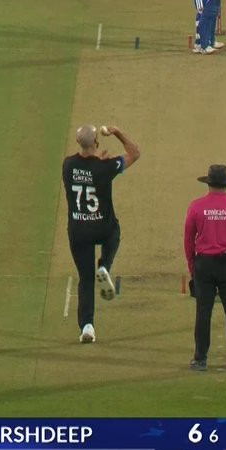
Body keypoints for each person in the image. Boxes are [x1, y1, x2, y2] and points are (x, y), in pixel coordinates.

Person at [62, 124, 140, 343]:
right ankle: (105, 265)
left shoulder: (68, 165)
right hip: (102, 228)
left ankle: (87, 327)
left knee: (85, 279)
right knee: (114, 232)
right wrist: (117, 133)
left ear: (78, 142)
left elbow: (84, 165)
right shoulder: (105, 167)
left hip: (78, 231)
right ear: (96, 142)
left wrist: (95, 157)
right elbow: (135, 153)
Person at [183, 164, 226, 371]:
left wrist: (193, 266)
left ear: (209, 183)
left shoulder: (196, 207)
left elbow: (188, 240)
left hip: (204, 264)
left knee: (203, 312)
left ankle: (200, 359)